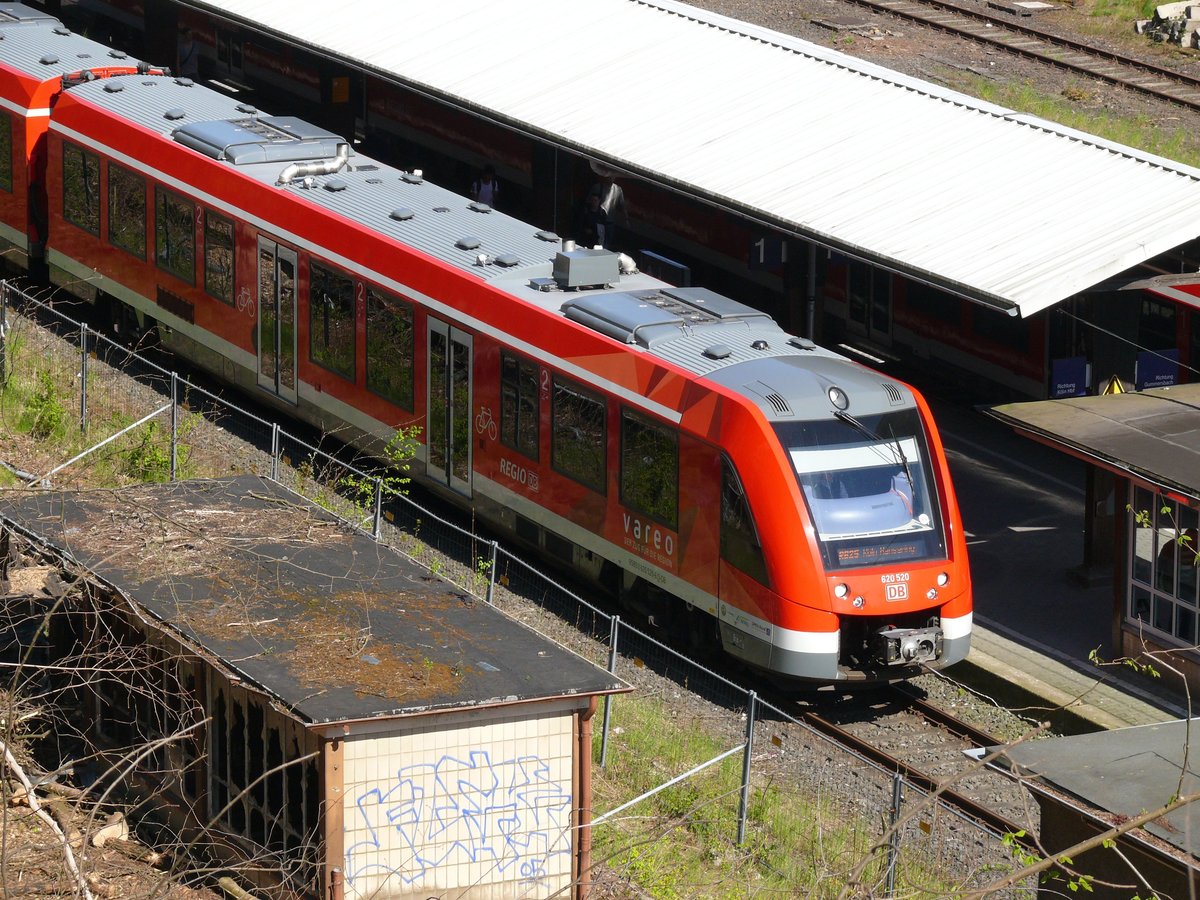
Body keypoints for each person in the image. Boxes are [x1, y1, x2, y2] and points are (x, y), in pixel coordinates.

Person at [587, 175, 626, 249]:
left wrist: (626, 219)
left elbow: (622, 205)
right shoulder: (598, 187)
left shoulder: (618, 189)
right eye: (609, 177)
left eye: (613, 177)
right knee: (597, 241)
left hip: (610, 221)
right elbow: (589, 201)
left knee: (607, 243)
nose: (611, 179)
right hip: (598, 219)